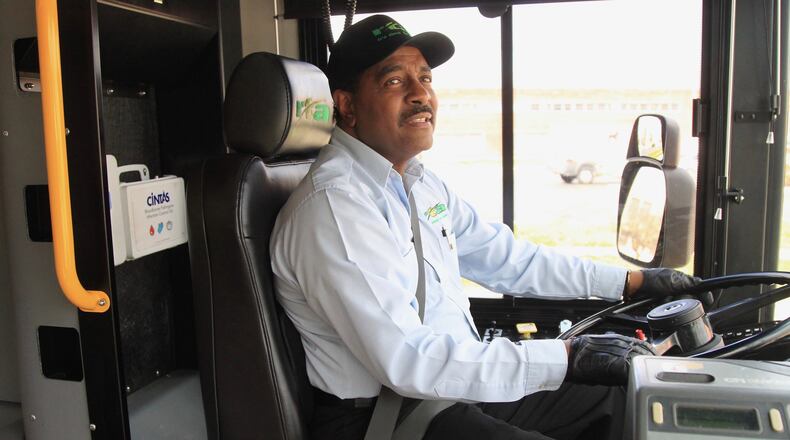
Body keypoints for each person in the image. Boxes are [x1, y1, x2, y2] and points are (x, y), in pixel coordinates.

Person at [270, 14, 700, 440]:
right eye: (395, 82)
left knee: (627, 400)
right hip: (385, 417)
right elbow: (407, 361)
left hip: (449, 388)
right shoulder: (333, 207)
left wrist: (632, 281)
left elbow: (507, 259)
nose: (422, 95)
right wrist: (567, 356)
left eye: (425, 78)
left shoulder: (417, 182)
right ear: (347, 106)